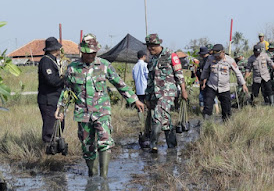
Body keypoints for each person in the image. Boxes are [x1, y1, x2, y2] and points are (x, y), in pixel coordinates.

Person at [55, 34, 145, 178]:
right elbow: (67, 91)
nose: (91, 55)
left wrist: (134, 100)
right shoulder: (73, 68)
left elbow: (119, 83)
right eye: (88, 53)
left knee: (105, 142)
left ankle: (104, 178)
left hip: (102, 111)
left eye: (93, 52)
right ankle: (92, 173)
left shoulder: (104, 65)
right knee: (87, 146)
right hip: (83, 114)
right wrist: (61, 109)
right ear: (82, 51)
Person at [144, 34, 188, 153]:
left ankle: (153, 145)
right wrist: (147, 97)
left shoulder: (171, 56)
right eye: (148, 47)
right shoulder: (152, 59)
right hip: (155, 93)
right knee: (165, 118)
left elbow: (179, 73)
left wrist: (183, 90)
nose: (149, 49)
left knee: (157, 117)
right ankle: (172, 144)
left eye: (150, 47)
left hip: (167, 92)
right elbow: (149, 79)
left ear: (155, 45)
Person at [201, 44, 248, 121]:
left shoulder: (230, 60)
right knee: (208, 105)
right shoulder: (210, 59)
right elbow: (205, 70)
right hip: (212, 86)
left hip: (224, 88)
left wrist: (243, 84)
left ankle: (226, 123)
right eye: (215, 55)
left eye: (218, 55)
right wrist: (202, 80)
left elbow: (238, 73)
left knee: (226, 108)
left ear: (223, 52)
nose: (216, 57)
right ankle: (207, 123)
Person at [38, 37, 64, 144]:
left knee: (59, 126)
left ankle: (56, 147)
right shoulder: (46, 61)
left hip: (56, 99)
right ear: (55, 49)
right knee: (50, 127)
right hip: (48, 100)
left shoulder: (53, 61)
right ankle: (48, 149)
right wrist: (65, 79)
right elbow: (52, 81)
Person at [196, 46, 210, 112]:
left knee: (202, 97)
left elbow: (206, 73)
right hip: (207, 81)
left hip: (206, 82)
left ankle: (203, 112)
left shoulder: (206, 61)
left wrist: (203, 83)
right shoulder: (208, 60)